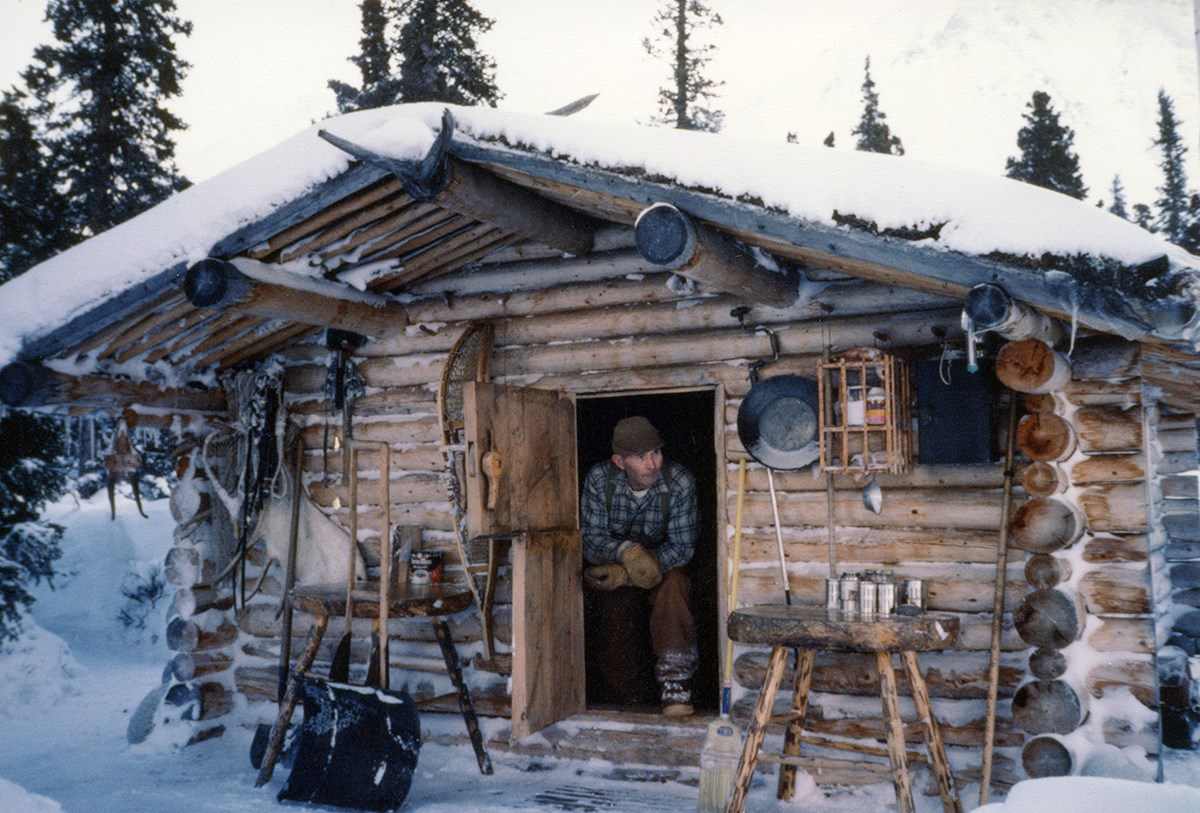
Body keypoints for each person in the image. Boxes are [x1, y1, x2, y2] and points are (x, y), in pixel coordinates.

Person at [580, 415, 699, 716]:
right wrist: (626, 553)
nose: (652, 464)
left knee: (673, 589)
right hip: (617, 565)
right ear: (619, 461)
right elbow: (591, 539)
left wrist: (637, 571)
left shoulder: (680, 481)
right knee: (614, 610)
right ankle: (625, 696)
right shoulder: (599, 480)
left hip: (665, 563)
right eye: (640, 457)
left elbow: (682, 547)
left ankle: (676, 684)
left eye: (656, 452)